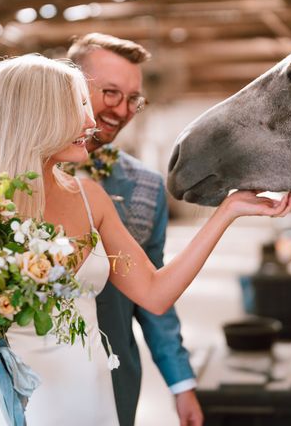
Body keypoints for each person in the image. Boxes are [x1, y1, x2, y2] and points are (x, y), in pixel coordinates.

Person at [0, 54, 291, 426]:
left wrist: (227, 211)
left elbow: (156, 292)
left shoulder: (91, 199)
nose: (90, 122)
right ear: (35, 119)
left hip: (91, 393)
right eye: (75, 108)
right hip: (13, 403)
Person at [66, 33, 198, 426]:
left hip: (113, 376)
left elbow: (153, 290)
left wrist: (181, 382)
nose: (121, 110)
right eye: (110, 93)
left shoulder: (145, 186)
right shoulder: (15, 175)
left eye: (132, 99)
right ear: (71, 83)